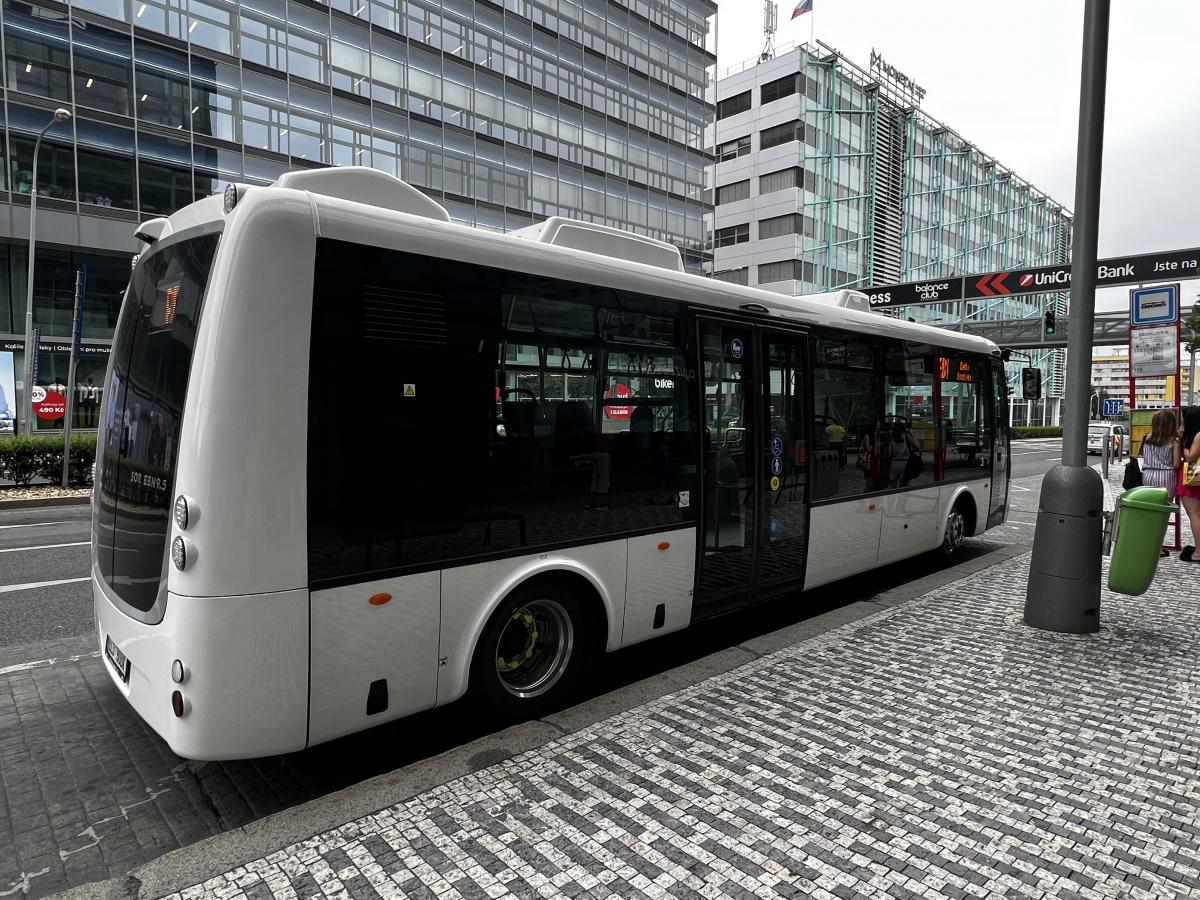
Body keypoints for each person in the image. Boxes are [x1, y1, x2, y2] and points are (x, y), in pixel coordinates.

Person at [1141, 410, 1180, 500]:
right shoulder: (1174, 441)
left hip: (1148, 475)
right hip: (1167, 477)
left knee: (1150, 505)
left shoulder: (1147, 438)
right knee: (1164, 508)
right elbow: (1176, 464)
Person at [1179, 407, 1200, 562]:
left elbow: (1191, 457)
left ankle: (1198, 552)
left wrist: (1183, 444)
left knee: (1194, 515)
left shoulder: (1198, 435)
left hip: (1192, 478)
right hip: (1193, 477)